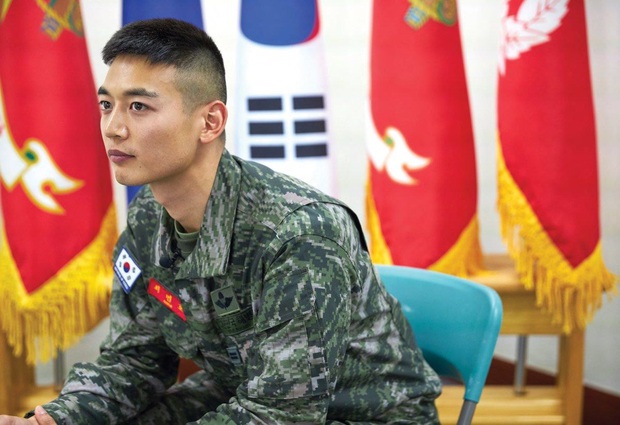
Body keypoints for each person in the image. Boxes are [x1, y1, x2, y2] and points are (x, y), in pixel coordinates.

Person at [1, 18, 441, 424]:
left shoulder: (299, 233)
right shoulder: (149, 218)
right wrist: (54, 419)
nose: (113, 127)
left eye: (138, 107)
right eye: (105, 104)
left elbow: (281, 414)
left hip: (365, 415)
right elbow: (134, 361)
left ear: (210, 122)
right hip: (246, 388)